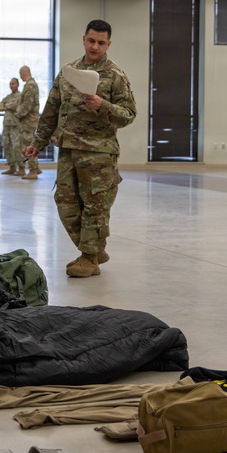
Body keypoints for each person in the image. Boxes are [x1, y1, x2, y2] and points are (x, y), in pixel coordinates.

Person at [25, 19, 136, 278]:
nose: (95, 46)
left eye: (100, 42)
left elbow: (129, 113)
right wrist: (38, 142)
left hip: (99, 153)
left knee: (95, 206)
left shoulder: (115, 75)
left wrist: (103, 106)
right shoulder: (68, 72)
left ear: (108, 44)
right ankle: (94, 249)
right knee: (64, 201)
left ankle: (89, 258)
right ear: (83, 39)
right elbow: (51, 110)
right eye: (91, 40)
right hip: (68, 149)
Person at [18, 65, 42, 180]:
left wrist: (18, 114)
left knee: (27, 147)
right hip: (31, 121)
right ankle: (36, 168)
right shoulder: (32, 84)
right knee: (30, 144)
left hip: (28, 122)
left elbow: (27, 105)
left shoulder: (29, 86)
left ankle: (32, 171)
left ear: (23, 74)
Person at [0, 78, 21, 175]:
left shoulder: (20, 96)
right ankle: (12, 167)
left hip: (15, 125)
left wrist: (5, 106)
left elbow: (14, 106)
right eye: (10, 84)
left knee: (16, 146)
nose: (11, 85)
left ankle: (21, 168)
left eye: (13, 84)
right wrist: (4, 106)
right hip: (6, 125)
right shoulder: (8, 97)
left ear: (18, 85)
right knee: (6, 145)